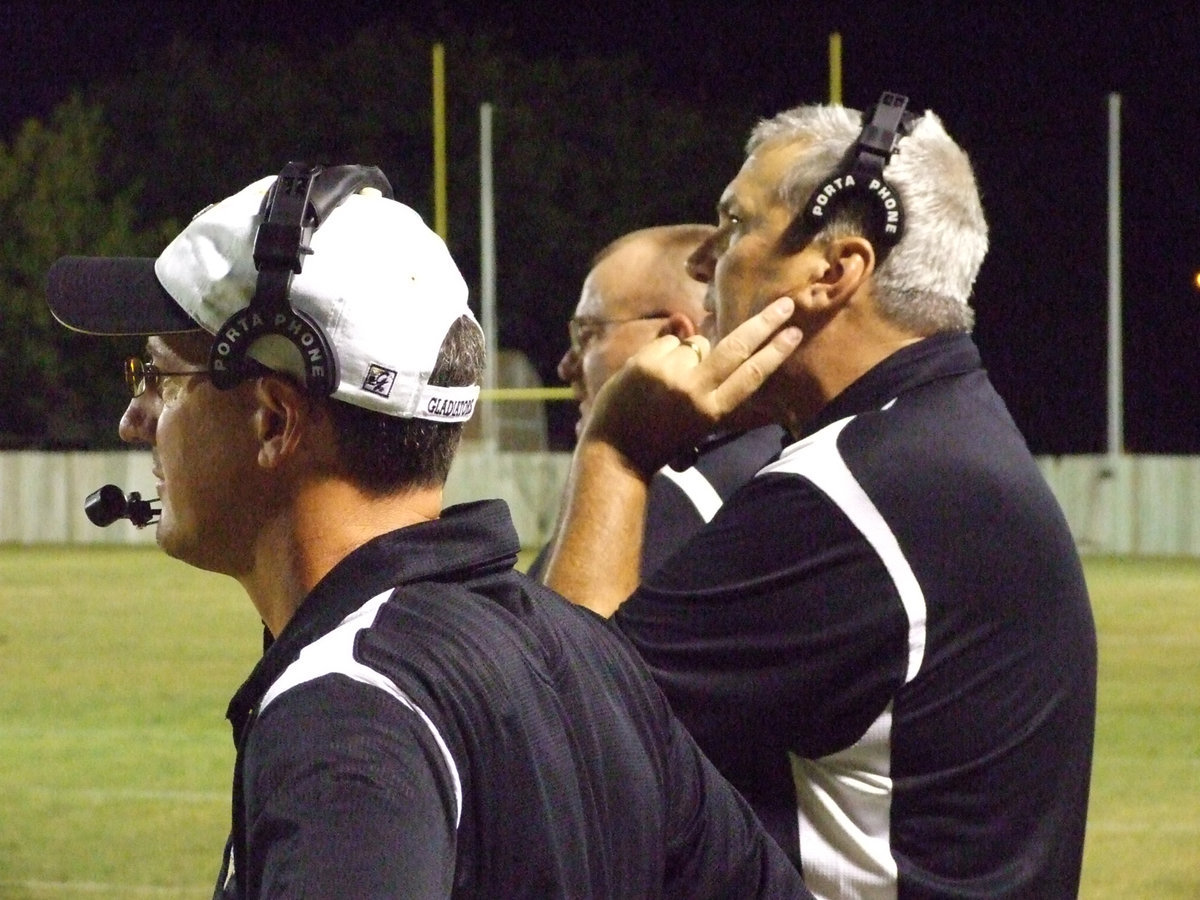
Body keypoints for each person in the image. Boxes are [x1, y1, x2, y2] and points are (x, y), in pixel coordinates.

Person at [45, 164, 811, 899]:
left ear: (274, 419)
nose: (134, 419)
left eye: (159, 378)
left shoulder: (347, 713)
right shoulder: (584, 651)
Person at [543, 97, 1098, 898]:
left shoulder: (851, 495)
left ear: (834, 270)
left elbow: (554, 743)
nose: (704, 265)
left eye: (734, 225)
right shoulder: (946, 436)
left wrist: (617, 452)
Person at [528, 224, 784, 580]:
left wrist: (611, 455)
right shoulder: (775, 451)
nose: (566, 366)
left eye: (588, 334)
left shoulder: (673, 489)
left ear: (676, 337)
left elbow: (558, 635)